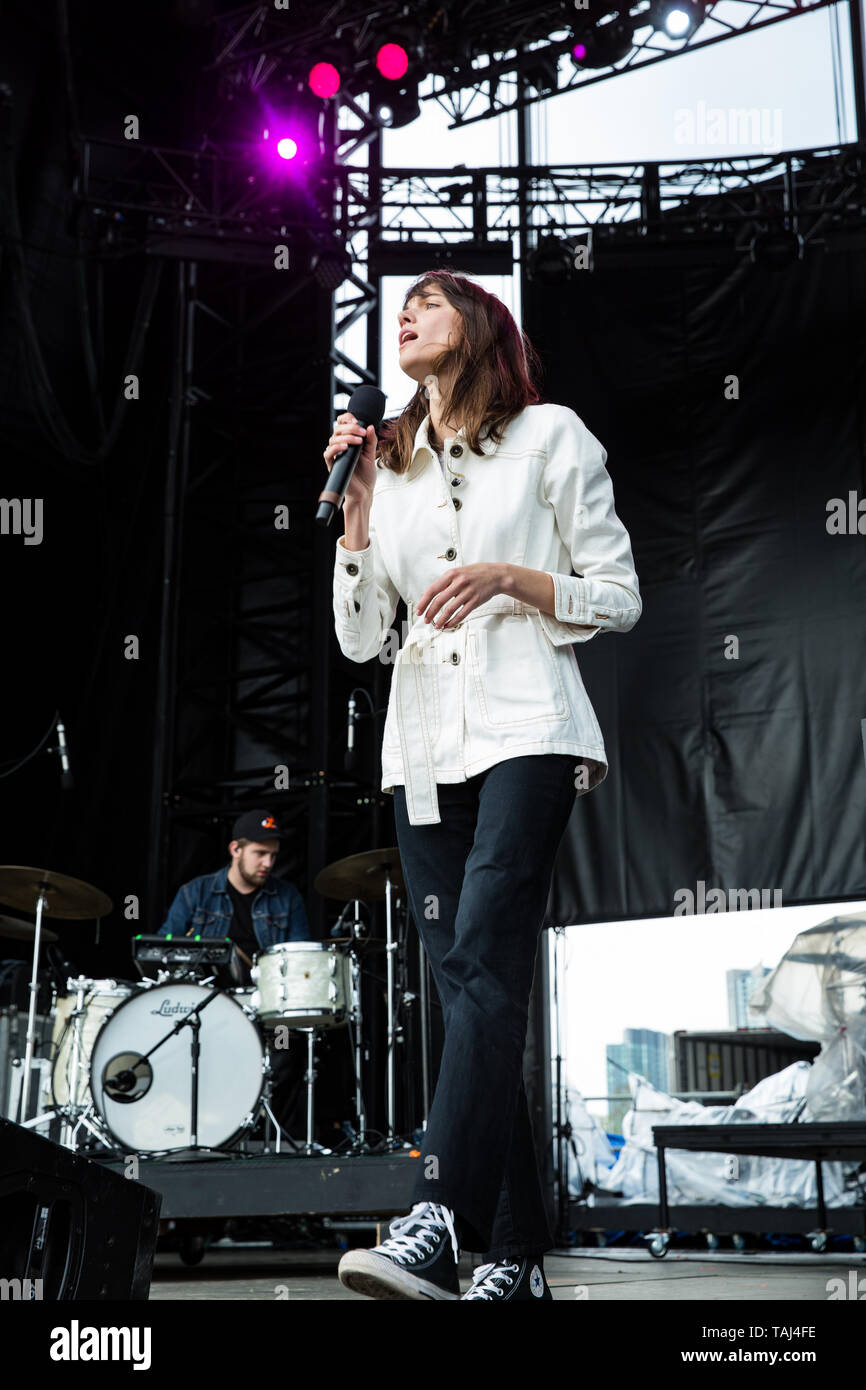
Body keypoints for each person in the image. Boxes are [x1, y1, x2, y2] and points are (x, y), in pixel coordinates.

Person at [325, 269, 642, 1301]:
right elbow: (363, 636)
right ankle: (512, 1256)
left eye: (430, 299)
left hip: (526, 721)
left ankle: (435, 1212)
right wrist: (358, 522)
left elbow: (618, 597)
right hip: (419, 742)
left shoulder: (551, 436)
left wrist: (511, 576)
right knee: (467, 987)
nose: (405, 313)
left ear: (481, 325)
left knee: (486, 951)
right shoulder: (391, 465)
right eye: (398, 306)